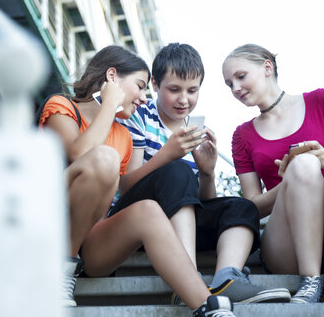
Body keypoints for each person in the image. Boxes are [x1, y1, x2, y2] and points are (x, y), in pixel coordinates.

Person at [38, 45, 235, 317]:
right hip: (53, 232)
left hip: (95, 245)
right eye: (140, 87)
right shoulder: (61, 105)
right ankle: (61, 272)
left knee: (148, 210)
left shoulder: (124, 136)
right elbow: (79, 154)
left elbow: (126, 189)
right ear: (111, 77)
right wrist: (109, 103)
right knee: (104, 159)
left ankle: (208, 306)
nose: (144, 98)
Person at [114, 42, 291, 304]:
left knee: (243, 207)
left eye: (192, 91)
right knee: (177, 170)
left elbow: (201, 202)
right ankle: (188, 280)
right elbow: (125, 186)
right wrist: (168, 154)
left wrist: (208, 173)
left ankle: (227, 278)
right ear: (154, 84)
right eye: (174, 90)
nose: (184, 100)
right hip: (140, 222)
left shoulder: (195, 129)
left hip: (180, 228)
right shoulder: (137, 115)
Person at [222, 43, 324, 304]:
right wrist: (288, 182)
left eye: (240, 77)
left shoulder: (322, 101)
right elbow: (251, 208)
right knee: (303, 165)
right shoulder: (242, 135)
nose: (235, 89)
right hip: (290, 246)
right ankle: (310, 280)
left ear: (267, 68)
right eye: (229, 84)